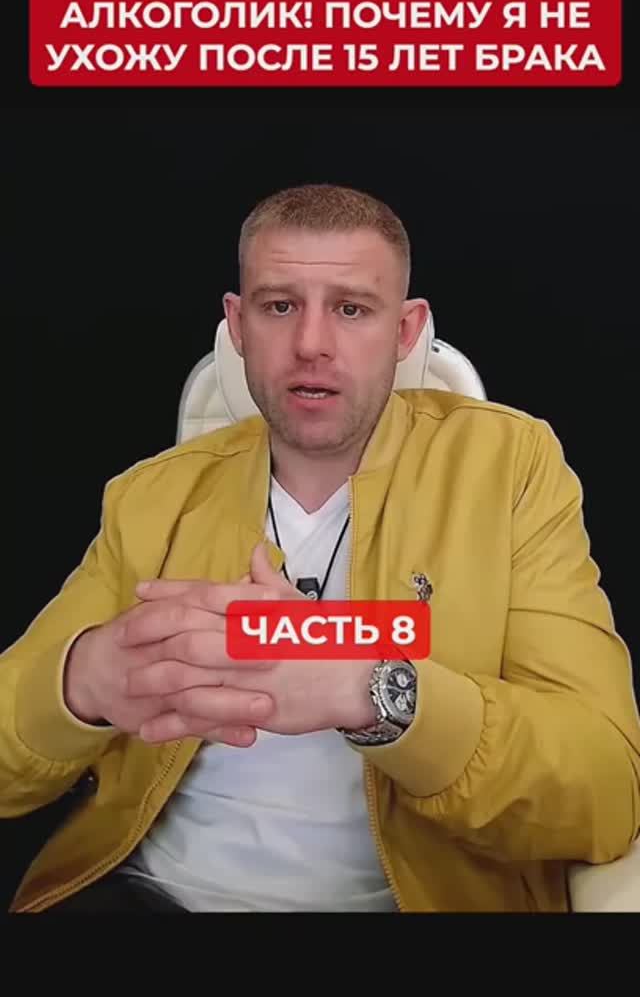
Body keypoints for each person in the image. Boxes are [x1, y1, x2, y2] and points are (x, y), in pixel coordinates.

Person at [1, 183, 639, 914]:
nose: (311, 343)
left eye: (351, 308)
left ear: (405, 331)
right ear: (237, 325)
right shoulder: (152, 496)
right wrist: (78, 683)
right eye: (279, 306)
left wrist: (369, 690)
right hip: (152, 898)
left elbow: (605, 793)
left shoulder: (508, 468)